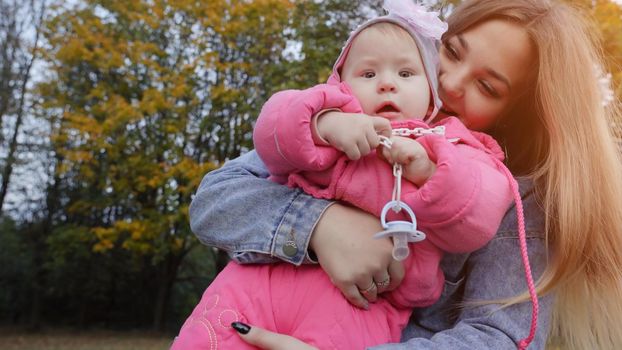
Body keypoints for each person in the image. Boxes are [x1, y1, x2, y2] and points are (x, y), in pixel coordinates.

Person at [186, 0, 622, 349]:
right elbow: (214, 200)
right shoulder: (348, 116)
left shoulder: (518, 198)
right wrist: (320, 225)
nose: (451, 83)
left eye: (488, 87)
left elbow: (500, 337)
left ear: (516, 114)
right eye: (451, 51)